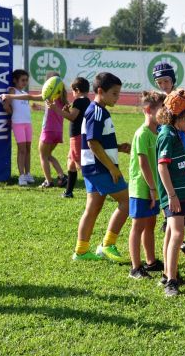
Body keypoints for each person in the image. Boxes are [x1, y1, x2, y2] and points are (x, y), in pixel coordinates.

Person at [71, 72, 131, 263]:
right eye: (114, 93)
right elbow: (93, 143)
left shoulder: (98, 110)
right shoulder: (96, 111)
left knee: (93, 208)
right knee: (128, 202)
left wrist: (118, 148)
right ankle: (107, 245)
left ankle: (81, 251)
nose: (117, 97)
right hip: (100, 169)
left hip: (93, 168)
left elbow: (98, 142)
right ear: (100, 91)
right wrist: (112, 169)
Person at [156, 89, 185, 296]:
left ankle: (167, 273)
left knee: (172, 233)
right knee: (178, 234)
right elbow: (162, 167)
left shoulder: (173, 133)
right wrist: (171, 196)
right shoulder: (167, 135)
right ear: (178, 114)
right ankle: (171, 281)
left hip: (180, 193)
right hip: (174, 195)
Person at [152, 61, 185, 232]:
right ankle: (168, 218)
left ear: (172, 80)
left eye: (166, 81)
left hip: (180, 136)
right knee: (168, 172)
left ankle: (184, 216)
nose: (163, 85)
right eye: (160, 83)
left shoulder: (179, 98)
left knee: (179, 172)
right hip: (167, 140)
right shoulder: (158, 100)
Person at [0, 71, 68, 188]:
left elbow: (30, 96)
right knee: (47, 155)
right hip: (58, 131)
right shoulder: (62, 98)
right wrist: (40, 107)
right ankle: (61, 176)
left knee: (42, 155)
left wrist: (10, 96)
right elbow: (55, 110)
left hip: (48, 130)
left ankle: (48, 181)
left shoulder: (48, 95)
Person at [128, 90, 166, 279]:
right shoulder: (142, 133)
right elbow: (143, 163)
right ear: (148, 110)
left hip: (154, 188)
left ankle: (150, 261)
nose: (164, 112)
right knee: (138, 225)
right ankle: (135, 267)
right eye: (161, 109)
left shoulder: (158, 132)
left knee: (150, 224)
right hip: (142, 188)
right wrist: (152, 188)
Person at [54, 77, 91, 198]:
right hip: (78, 136)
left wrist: (56, 109)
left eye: (73, 91)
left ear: (77, 90)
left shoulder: (79, 101)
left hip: (77, 136)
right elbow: (75, 115)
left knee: (80, 164)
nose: (72, 94)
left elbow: (72, 117)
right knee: (71, 163)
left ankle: (95, 190)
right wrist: (67, 111)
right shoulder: (86, 101)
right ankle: (68, 192)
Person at [0, 69, 35, 186]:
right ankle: (21, 176)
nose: (25, 82)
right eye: (22, 80)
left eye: (26, 80)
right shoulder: (12, 90)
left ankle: (28, 173)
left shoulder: (25, 93)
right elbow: (6, 105)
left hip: (28, 123)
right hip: (18, 123)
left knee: (28, 149)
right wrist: (12, 113)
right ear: (15, 80)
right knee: (22, 150)